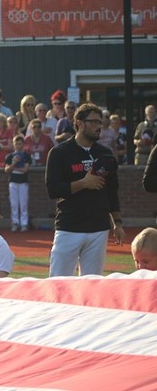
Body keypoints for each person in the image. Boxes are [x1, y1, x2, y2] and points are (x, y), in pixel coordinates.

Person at [46, 103, 125, 277]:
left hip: (99, 229)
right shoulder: (59, 153)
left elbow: (112, 192)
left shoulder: (105, 154)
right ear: (80, 123)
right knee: (59, 282)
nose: (99, 126)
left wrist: (118, 223)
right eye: (94, 122)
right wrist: (83, 183)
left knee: (92, 283)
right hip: (69, 227)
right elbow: (53, 190)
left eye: (100, 122)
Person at [5, 135, 32, 232]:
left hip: (23, 182)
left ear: (23, 144)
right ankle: (15, 223)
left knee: (23, 204)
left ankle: (24, 223)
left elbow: (25, 170)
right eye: (16, 144)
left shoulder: (27, 156)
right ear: (14, 144)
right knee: (14, 204)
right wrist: (14, 163)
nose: (18, 146)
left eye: (20, 144)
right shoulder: (10, 156)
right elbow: (7, 169)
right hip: (13, 182)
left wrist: (14, 168)